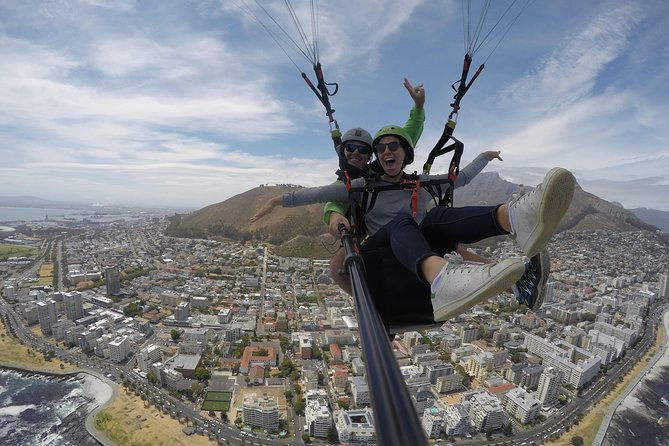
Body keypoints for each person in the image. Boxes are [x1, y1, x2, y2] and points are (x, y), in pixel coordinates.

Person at [253, 124, 575, 325]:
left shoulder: (419, 185)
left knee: (436, 217)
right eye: (380, 149)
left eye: (394, 147)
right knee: (403, 222)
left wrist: (485, 157)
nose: (386, 152)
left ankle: (516, 218)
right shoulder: (364, 188)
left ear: (405, 154)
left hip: (415, 251)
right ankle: (442, 280)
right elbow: (322, 196)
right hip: (382, 253)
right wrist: (278, 200)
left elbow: (459, 180)